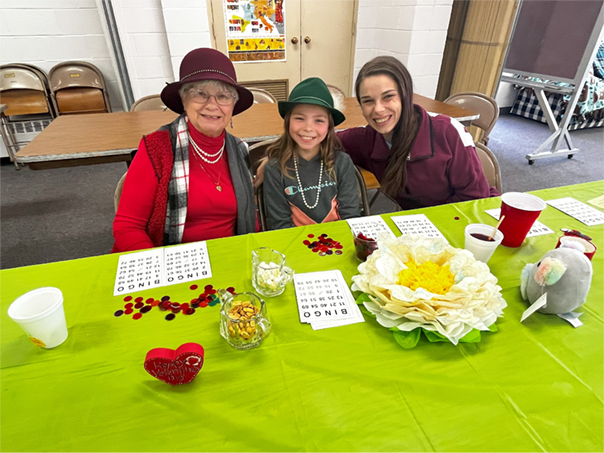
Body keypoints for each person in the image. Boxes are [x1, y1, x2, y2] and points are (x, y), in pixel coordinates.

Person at [112, 48, 256, 253]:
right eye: (200, 94)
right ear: (183, 101)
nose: (212, 105)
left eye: (223, 96)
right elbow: (128, 226)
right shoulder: (157, 149)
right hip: (170, 260)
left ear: (233, 105)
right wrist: (161, 268)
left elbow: (251, 217)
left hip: (231, 256)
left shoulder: (239, 149)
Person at [337, 56, 498, 210]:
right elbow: (323, 140)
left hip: (470, 219)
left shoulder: (447, 132)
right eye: (368, 101)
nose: (378, 109)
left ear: (405, 95)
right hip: (417, 223)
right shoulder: (366, 139)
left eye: (388, 97)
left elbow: (475, 199)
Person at [262, 77, 360, 230]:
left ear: (329, 126)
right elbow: (279, 225)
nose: (308, 128)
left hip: (339, 241)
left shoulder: (342, 162)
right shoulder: (275, 169)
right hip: (295, 244)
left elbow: (351, 217)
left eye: (319, 120)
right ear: (287, 122)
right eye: (299, 118)